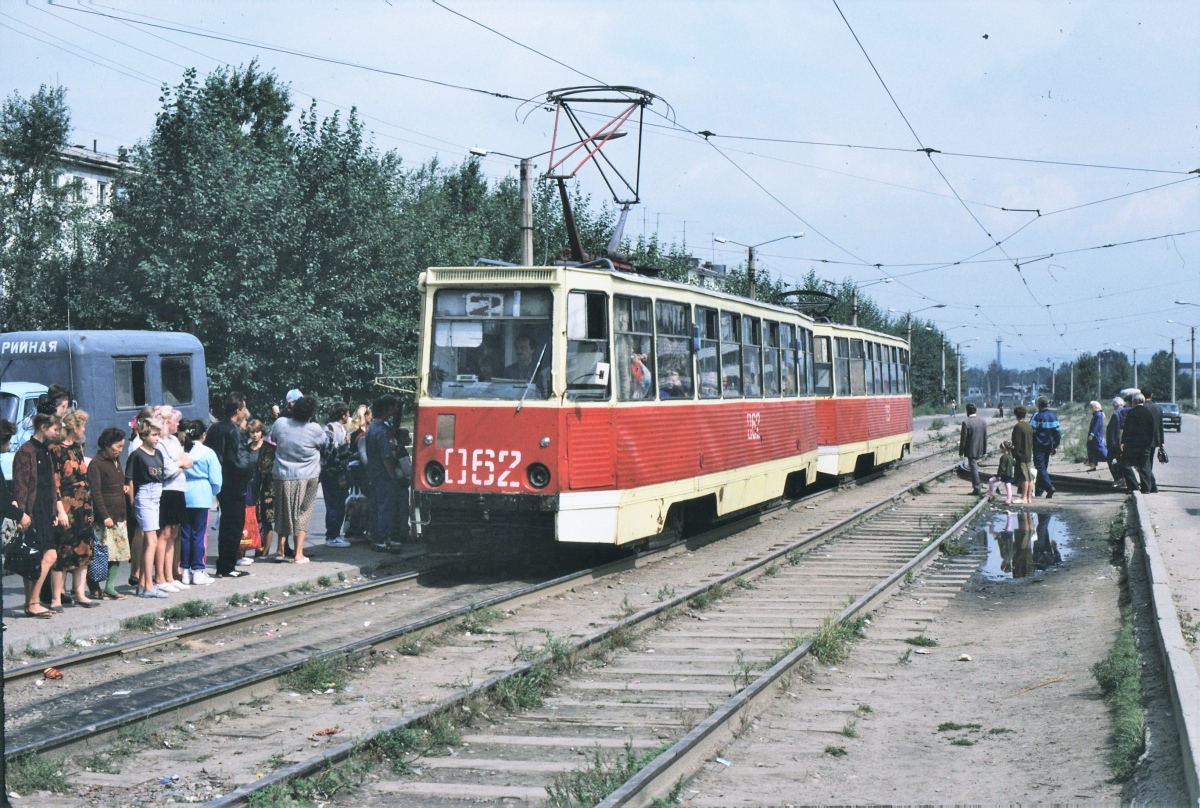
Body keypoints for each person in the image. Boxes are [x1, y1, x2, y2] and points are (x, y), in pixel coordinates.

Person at [12, 414, 63, 617]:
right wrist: (22, 514)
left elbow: (50, 484)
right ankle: (33, 602)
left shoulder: (45, 451)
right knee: (48, 556)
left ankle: (30, 603)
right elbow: (21, 485)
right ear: (43, 427)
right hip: (33, 511)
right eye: (55, 429)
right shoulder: (26, 451)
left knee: (36, 557)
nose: (57, 433)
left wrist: (54, 510)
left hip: (44, 510)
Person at [269, 394, 328, 564]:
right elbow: (324, 445)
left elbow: (273, 439)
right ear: (311, 413)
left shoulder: (280, 423)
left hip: (282, 475)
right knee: (303, 512)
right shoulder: (315, 429)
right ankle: (298, 553)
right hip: (307, 476)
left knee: (282, 511)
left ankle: (280, 550)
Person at [49, 409, 98, 610]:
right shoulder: (55, 450)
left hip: (84, 506)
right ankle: (56, 598)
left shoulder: (78, 448)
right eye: (82, 426)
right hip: (67, 506)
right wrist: (60, 510)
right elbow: (56, 484)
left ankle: (79, 592)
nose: (84, 429)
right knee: (64, 551)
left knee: (84, 549)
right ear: (74, 428)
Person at [207, 392, 254, 579]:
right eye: (243, 409)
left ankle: (224, 564)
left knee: (226, 524)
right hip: (234, 484)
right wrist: (249, 474)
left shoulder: (214, 428)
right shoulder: (234, 431)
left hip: (220, 482)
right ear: (238, 410)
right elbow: (239, 460)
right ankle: (228, 566)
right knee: (234, 525)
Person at [87, 426, 132, 600]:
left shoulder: (116, 460)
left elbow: (116, 482)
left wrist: (124, 488)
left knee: (117, 553)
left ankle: (110, 587)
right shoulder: (96, 464)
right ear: (107, 444)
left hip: (119, 515)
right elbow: (96, 493)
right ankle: (94, 586)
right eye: (118, 446)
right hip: (105, 517)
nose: (120, 450)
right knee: (100, 554)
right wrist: (104, 515)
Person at [126, 417, 168, 598]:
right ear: (143, 434)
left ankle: (144, 584)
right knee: (151, 541)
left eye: (158, 434)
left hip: (156, 495)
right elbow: (130, 482)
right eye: (153, 434)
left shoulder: (157, 453)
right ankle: (149, 585)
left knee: (149, 541)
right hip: (144, 495)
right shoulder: (137, 455)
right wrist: (132, 505)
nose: (157, 438)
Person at [154, 407, 193, 592]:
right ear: (167, 422)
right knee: (165, 534)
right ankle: (160, 577)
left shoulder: (175, 442)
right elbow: (167, 471)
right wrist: (180, 465)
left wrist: (178, 464)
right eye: (175, 421)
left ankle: (170, 575)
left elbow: (189, 461)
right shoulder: (160, 443)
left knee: (174, 533)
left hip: (178, 489)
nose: (178, 424)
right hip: (167, 491)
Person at [180, 419, 221, 585]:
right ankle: (198, 570)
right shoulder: (208, 453)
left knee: (185, 535)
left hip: (183, 493)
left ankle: (184, 571)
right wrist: (213, 492)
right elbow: (216, 479)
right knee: (198, 535)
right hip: (202, 494)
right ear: (203, 435)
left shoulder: (183, 451)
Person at [366, 394, 402, 550]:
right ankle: (383, 538)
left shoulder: (372, 428)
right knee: (385, 507)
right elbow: (386, 456)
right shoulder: (381, 431)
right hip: (383, 474)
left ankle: (376, 536)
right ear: (388, 409)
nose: (397, 409)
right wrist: (392, 474)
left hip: (373, 472)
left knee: (375, 506)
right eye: (395, 406)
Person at [320, 401, 353, 548]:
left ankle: (335, 534)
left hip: (338, 472)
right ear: (342, 415)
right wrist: (340, 476)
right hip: (333, 474)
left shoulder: (340, 429)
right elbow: (331, 455)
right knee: (334, 504)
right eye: (347, 413)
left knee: (339, 504)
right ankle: (332, 536)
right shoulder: (331, 429)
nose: (349, 416)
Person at [247, 420, 277, 559]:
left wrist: (270, 493)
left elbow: (271, 473)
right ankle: (254, 547)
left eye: (257, 432)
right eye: (252, 432)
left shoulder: (269, 449)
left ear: (262, 432)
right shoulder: (246, 449)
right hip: (250, 488)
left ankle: (265, 551)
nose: (255, 435)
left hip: (265, 489)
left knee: (266, 520)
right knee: (251, 519)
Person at [1119, 392, 1157, 494]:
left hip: (1133, 444)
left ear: (1134, 401)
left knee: (1126, 464)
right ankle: (1146, 489)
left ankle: (1133, 486)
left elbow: (1128, 428)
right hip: (1145, 444)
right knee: (1144, 466)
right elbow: (1152, 429)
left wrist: (1123, 441)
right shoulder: (1148, 412)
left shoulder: (1132, 412)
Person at [1030, 396, 1062, 499]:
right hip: (1049, 446)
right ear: (1047, 404)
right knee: (1043, 467)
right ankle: (1039, 491)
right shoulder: (1053, 416)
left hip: (1038, 446)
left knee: (1040, 467)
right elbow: (1057, 433)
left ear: (1039, 405)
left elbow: (1031, 431)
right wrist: (1055, 446)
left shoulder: (1037, 416)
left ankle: (1049, 487)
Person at [958, 402, 988, 496]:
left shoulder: (966, 422)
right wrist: (985, 450)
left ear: (967, 411)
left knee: (973, 467)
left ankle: (977, 488)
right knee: (974, 466)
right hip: (980, 448)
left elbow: (963, 439)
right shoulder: (983, 421)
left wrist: (961, 451)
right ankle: (978, 485)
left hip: (971, 449)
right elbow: (985, 437)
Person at [1141, 387, 1164, 493]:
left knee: (1143, 464)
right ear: (1152, 395)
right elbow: (1161, 427)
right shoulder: (1158, 408)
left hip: (1143, 440)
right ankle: (1152, 486)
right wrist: (1162, 442)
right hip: (1155, 441)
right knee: (1149, 463)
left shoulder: (1141, 408)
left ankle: (1149, 486)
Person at [1011, 406, 1034, 505]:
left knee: (1024, 477)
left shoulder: (1018, 427)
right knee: (1030, 477)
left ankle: (1023, 497)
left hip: (1022, 455)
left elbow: (1016, 442)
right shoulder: (1029, 426)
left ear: (1016, 415)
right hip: (1029, 454)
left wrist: (1014, 454)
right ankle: (1028, 497)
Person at [986, 441, 1016, 505]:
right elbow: (1014, 463)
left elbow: (1002, 467)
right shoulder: (1011, 456)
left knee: (991, 480)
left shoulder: (1003, 457)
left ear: (1004, 449)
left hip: (1003, 475)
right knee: (1008, 487)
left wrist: (999, 475)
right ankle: (1008, 501)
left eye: (1001, 448)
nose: (1000, 449)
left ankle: (990, 493)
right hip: (1009, 474)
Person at [1105, 397, 1126, 486]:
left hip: (1116, 443)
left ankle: (1118, 479)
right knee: (1121, 461)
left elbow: (1114, 431)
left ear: (1115, 405)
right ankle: (1123, 479)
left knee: (1111, 460)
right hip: (1124, 442)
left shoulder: (1116, 414)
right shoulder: (1125, 412)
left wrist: (1112, 445)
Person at [1085, 400, 1107, 472]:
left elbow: (1096, 426)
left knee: (1099, 448)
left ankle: (1110, 459)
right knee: (1091, 448)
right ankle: (1092, 464)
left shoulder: (1098, 415)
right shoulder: (1096, 414)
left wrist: (1092, 434)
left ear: (1096, 407)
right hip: (1094, 435)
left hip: (1096, 436)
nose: (1091, 408)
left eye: (1092, 407)